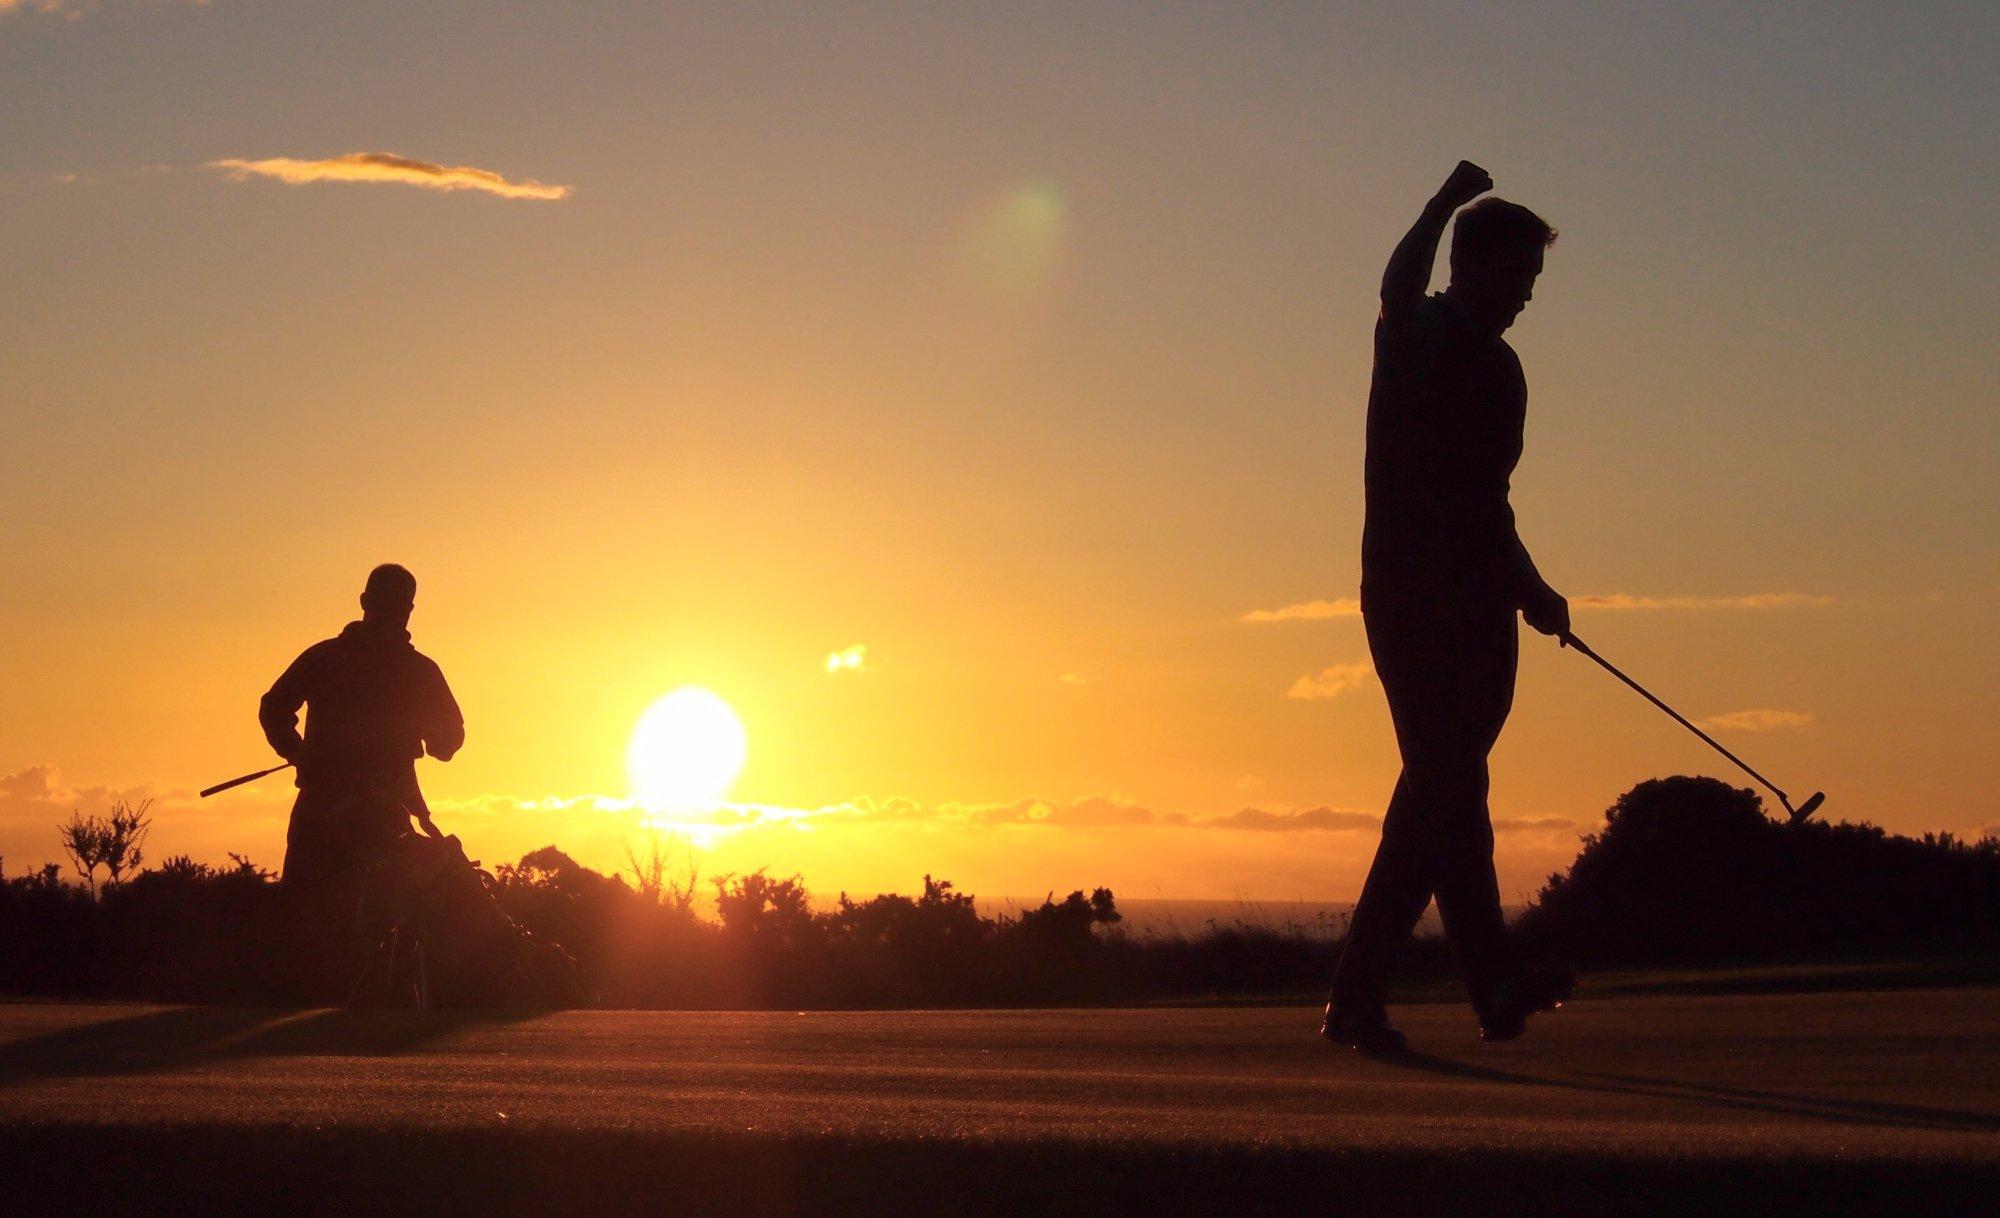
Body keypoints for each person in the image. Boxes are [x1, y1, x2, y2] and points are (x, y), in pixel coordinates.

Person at [1323, 162, 1576, 1052]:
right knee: (1446, 785)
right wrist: (1441, 201)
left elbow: (1486, 500)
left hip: (1480, 603)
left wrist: (1530, 587)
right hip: (1408, 593)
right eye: (1516, 278)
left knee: (1447, 790)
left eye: (1533, 284)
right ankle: (1372, 993)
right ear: (1470, 267)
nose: (1525, 298)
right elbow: (1396, 283)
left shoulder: (1505, 371)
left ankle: (1489, 985)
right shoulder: (1419, 331)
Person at [259, 563, 463, 993]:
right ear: (368, 604)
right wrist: (298, 753)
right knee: (309, 907)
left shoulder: (414, 670)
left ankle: (372, 992)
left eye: (400, 608)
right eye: (388, 606)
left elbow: (450, 739)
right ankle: (297, 991)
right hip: (328, 804)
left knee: (381, 909)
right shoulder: (329, 658)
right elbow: (274, 708)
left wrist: (431, 735)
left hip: (384, 809)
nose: (394, 615)